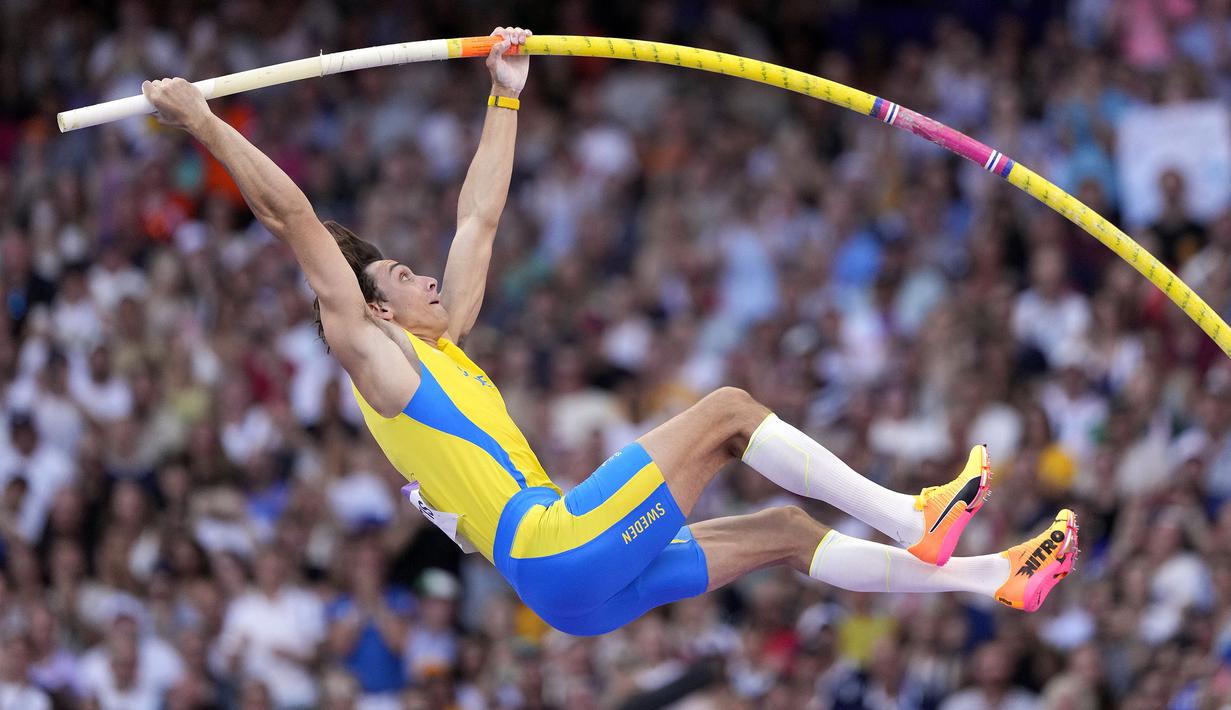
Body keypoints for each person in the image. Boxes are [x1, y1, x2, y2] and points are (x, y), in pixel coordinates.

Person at [140, 25, 1077, 638]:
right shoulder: (375, 358)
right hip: (556, 541)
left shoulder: (439, 344)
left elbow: (477, 222)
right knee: (726, 412)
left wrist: (506, 93)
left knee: (786, 532)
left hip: (567, 582)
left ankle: (991, 575)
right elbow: (293, 219)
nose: (424, 275)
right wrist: (204, 124)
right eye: (400, 276)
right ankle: (914, 520)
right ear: (376, 311)